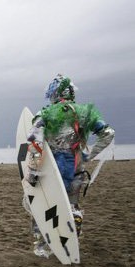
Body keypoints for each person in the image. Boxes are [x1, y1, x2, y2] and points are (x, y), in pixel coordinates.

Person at [25, 74, 115, 257]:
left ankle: (42, 247)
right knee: (70, 206)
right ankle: (70, 244)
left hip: (51, 169)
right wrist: (89, 154)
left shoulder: (46, 113)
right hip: (76, 167)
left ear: (54, 93)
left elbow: (35, 140)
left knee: (43, 205)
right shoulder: (84, 113)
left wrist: (33, 169)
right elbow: (108, 133)